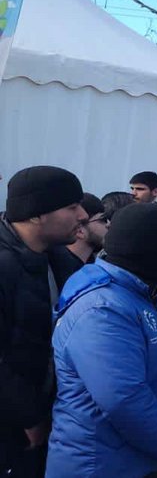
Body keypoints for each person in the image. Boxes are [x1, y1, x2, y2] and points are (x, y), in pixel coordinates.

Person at [46, 203, 157, 476]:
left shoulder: (148, 292)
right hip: (99, 465)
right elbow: (123, 399)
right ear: (146, 251)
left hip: (145, 458)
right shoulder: (101, 309)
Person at [0, 166, 86, 477]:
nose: (83, 215)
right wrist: (30, 417)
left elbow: (132, 245)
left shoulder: (58, 258)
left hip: (52, 418)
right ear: (36, 215)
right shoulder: (5, 266)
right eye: (71, 207)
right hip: (16, 431)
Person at [67, 193, 107, 264]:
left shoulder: (96, 264)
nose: (108, 225)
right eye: (103, 220)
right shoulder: (58, 269)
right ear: (79, 230)